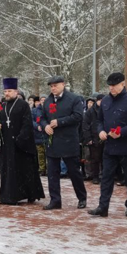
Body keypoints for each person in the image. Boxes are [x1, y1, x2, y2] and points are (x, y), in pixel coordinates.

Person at [87, 73, 127, 217]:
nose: (111, 88)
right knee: (106, 177)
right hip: (110, 147)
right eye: (109, 86)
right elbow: (99, 120)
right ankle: (103, 206)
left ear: (122, 84)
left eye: (114, 85)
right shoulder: (105, 101)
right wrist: (100, 131)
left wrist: (122, 132)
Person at [40, 76, 88, 211]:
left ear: (63, 85)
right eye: (51, 86)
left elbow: (78, 116)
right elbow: (42, 117)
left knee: (74, 172)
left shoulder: (74, 98)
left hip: (68, 141)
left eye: (55, 85)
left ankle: (82, 197)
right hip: (53, 141)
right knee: (52, 173)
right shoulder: (48, 100)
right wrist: (45, 126)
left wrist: (60, 122)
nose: (53, 88)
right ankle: (55, 200)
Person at [0, 78, 46, 205]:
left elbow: (27, 124)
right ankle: (8, 195)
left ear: (16, 92)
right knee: (8, 171)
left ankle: (27, 194)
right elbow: (4, 122)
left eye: (9, 91)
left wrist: (19, 140)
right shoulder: (3, 106)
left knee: (24, 170)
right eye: (5, 91)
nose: (6, 93)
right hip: (7, 145)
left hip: (21, 145)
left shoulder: (23, 105)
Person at [82, 94, 104, 185]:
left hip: (105, 137)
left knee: (105, 159)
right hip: (94, 137)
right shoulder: (90, 112)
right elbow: (85, 126)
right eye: (100, 101)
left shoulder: (106, 109)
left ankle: (104, 176)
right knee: (95, 158)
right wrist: (88, 138)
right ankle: (95, 176)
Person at [30, 96, 48, 176]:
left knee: (48, 153)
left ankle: (48, 169)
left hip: (47, 134)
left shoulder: (49, 109)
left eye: (45, 100)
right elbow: (31, 120)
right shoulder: (34, 110)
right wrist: (37, 126)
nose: (43, 101)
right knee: (40, 153)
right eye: (42, 100)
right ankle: (42, 169)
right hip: (38, 134)